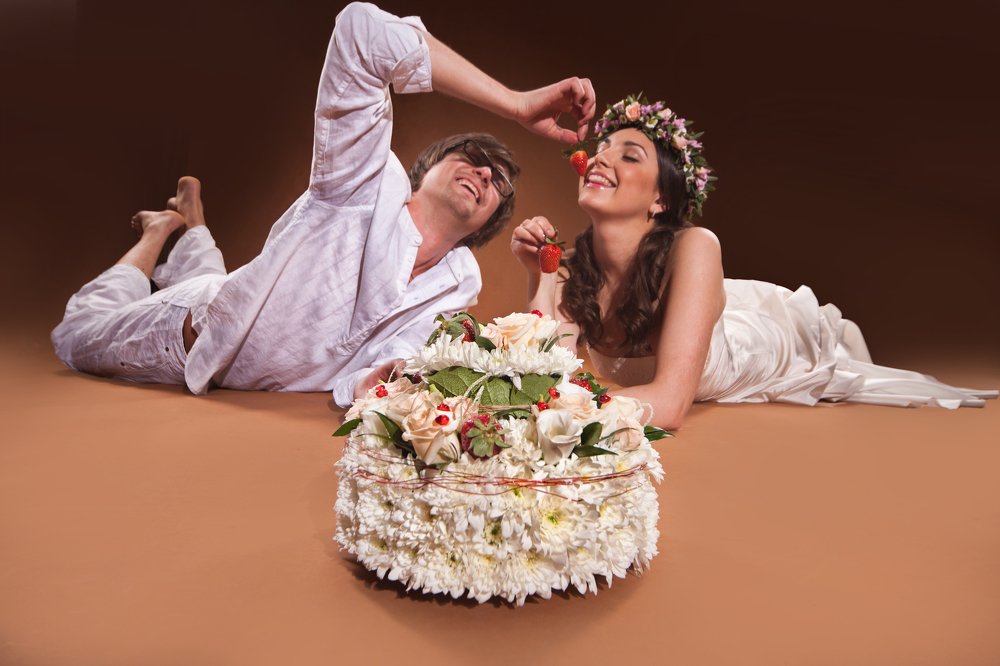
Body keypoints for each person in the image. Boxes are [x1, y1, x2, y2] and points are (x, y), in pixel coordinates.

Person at [51, 2, 596, 406]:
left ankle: (190, 223)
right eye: (473, 157)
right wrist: (516, 104)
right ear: (424, 170)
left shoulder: (455, 285)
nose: (484, 173)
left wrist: (392, 386)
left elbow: (386, 364)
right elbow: (362, 30)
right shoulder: (364, 179)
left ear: (486, 223)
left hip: (239, 296)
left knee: (223, 280)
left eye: (498, 183)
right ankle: (157, 232)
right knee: (76, 333)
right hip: (186, 332)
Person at [511, 94, 996, 429]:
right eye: (600, 149)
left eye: (630, 156)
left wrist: (556, 414)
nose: (598, 159)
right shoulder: (570, 266)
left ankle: (823, 331)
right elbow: (549, 374)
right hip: (701, 308)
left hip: (766, 347)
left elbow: (670, 405)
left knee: (824, 342)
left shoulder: (696, 244)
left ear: (661, 199)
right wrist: (540, 277)